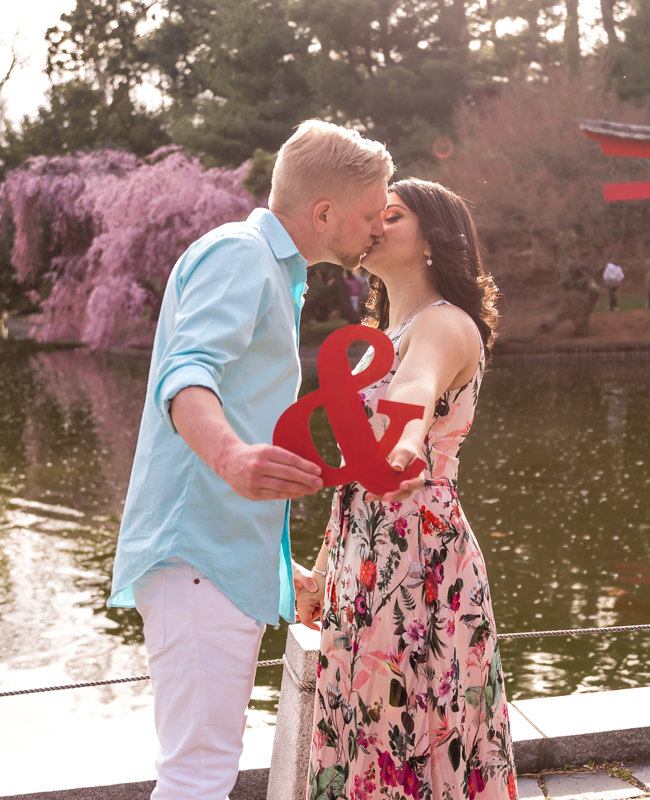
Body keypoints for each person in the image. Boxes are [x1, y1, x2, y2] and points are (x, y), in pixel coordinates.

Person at [107, 120, 394, 800]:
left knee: (204, 772)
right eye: (367, 215)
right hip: (194, 560)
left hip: (215, 562)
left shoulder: (274, 272)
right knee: (197, 777)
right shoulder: (241, 254)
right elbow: (186, 375)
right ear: (323, 213)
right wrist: (232, 455)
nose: (377, 229)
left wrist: (280, 569)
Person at [296, 178, 518, 800]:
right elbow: (353, 478)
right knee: (363, 730)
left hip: (419, 556)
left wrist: (405, 442)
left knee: (408, 729)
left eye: (391, 216)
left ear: (432, 241)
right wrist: (321, 573)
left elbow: (415, 392)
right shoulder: (376, 340)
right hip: (361, 554)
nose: (374, 226)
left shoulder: (445, 324)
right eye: (373, 215)